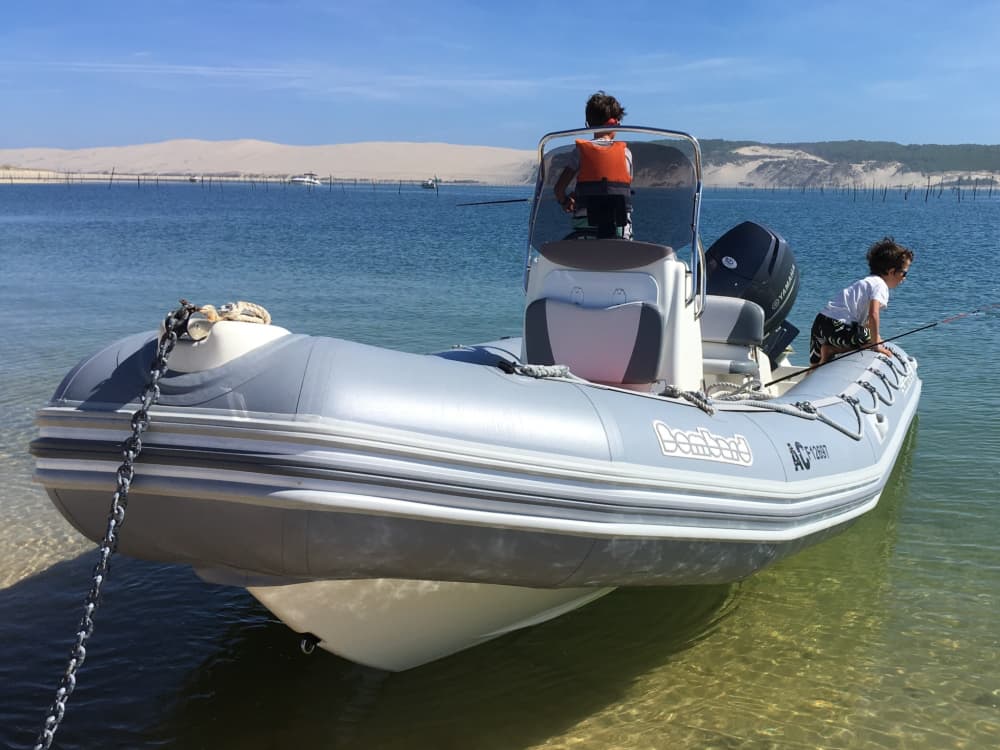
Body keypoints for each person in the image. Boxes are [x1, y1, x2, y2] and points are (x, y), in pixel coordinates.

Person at [808, 236, 914, 365]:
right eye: (904, 273)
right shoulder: (880, 285)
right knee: (871, 340)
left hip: (820, 323)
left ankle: (814, 370)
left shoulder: (867, 282)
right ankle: (831, 349)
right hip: (837, 326)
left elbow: (866, 322)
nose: (904, 278)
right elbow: (873, 315)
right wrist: (877, 344)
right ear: (891, 272)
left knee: (814, 366)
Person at [553, 91, 633, 238]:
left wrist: (566, 201)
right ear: (615, 124)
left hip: (585, 233)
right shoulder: (626, 153)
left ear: (588, 125)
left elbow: (558, 189)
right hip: (619, 232)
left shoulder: (579, 152)